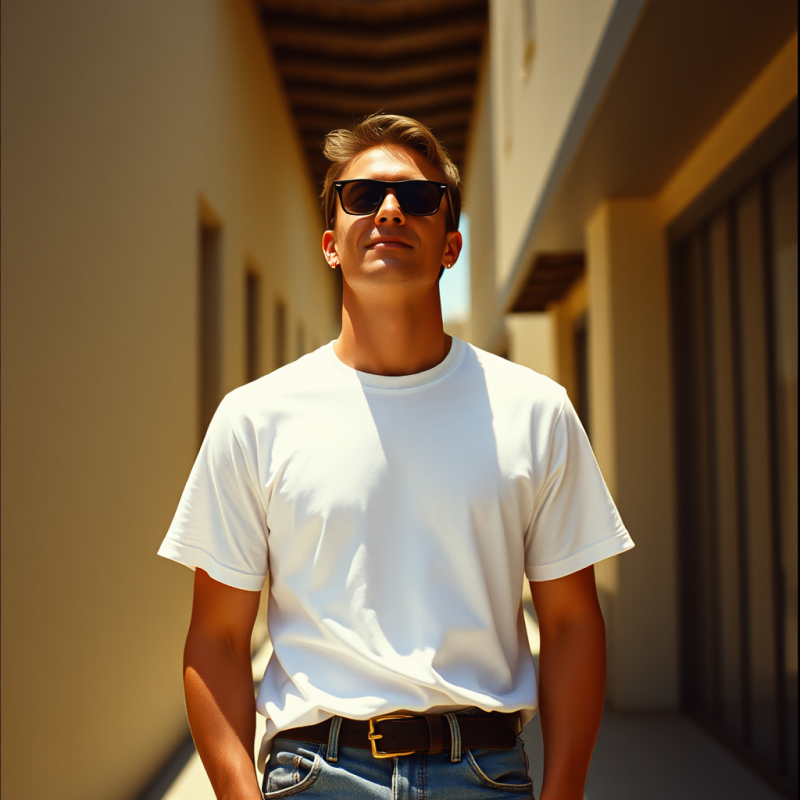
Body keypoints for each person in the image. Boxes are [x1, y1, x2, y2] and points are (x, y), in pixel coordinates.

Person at [158, 113, 634, 800]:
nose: (388, 210)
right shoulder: (254, 419)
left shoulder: (536, 410)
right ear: (330, 243)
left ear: (451, 245)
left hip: (487, 773)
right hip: (313, 776)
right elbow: (218, 642)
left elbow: (569, 624)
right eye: (361, 196)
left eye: (417, 199)